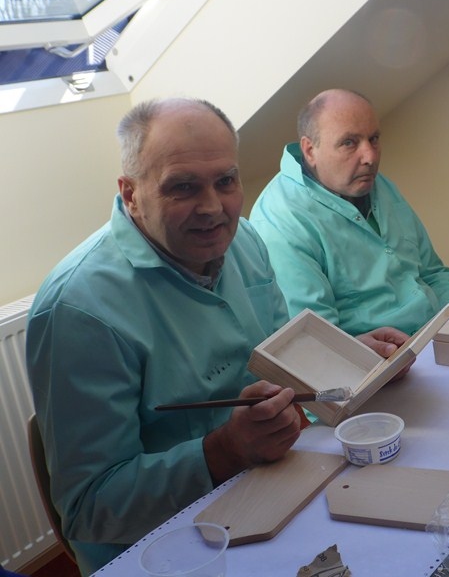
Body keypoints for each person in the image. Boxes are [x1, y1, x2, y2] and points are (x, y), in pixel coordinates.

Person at [25, 97, 409, 576]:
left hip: (270, 490)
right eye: (182, 187)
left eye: (225, 181)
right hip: (165, 552)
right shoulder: (79, 309)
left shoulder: (243, 241)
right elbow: (88, 509)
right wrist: (223, 451)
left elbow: (281, 361)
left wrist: (350, 359)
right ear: (130, 194)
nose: (213, 208)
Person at [249, 88, 449, 337]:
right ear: (310, 150)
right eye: (349, 143)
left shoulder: (378, 185)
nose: (370, 157)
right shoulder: (281, 219)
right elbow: (317, 338)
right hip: (382, 357)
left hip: (441, 335)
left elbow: (434, 274)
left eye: (374, 139)